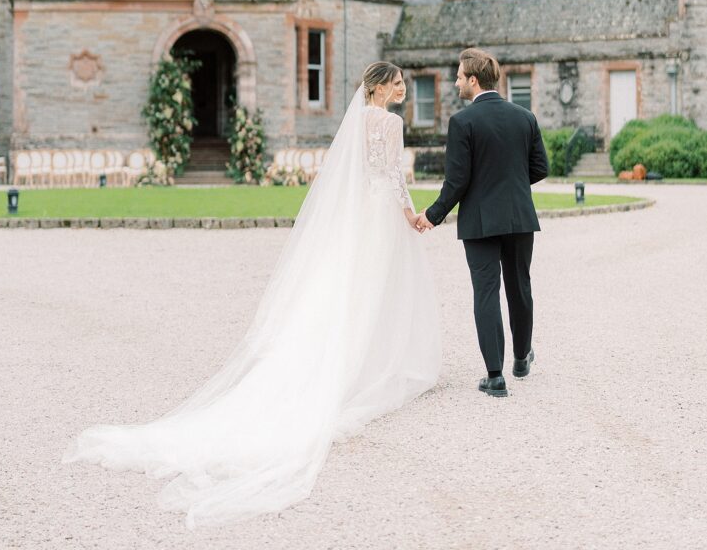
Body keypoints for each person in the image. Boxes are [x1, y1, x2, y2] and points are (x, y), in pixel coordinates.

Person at [62, 62, 440, 528]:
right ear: (381, 87)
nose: (402, 89)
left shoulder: (355, 122)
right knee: (375, 287)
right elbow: (393, 175)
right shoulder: (389, 122)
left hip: (356, 216)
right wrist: (410, 215)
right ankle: (368, 364)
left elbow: (355, 175)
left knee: (348, 287)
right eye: (398, 82)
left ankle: (356, 357)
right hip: (380, 213)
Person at [416, 48, 549, 398]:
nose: (457, 81)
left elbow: (457, 182)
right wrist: (513, 187)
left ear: (473, 80)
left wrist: (432, 215)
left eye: (460, 76)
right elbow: (541, 168)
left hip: (479, 220)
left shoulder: (463, 122)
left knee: (486, 292)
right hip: (520, 216)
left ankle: (496, 376)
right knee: (520, 287)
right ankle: (521, 359)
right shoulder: (525, 117)